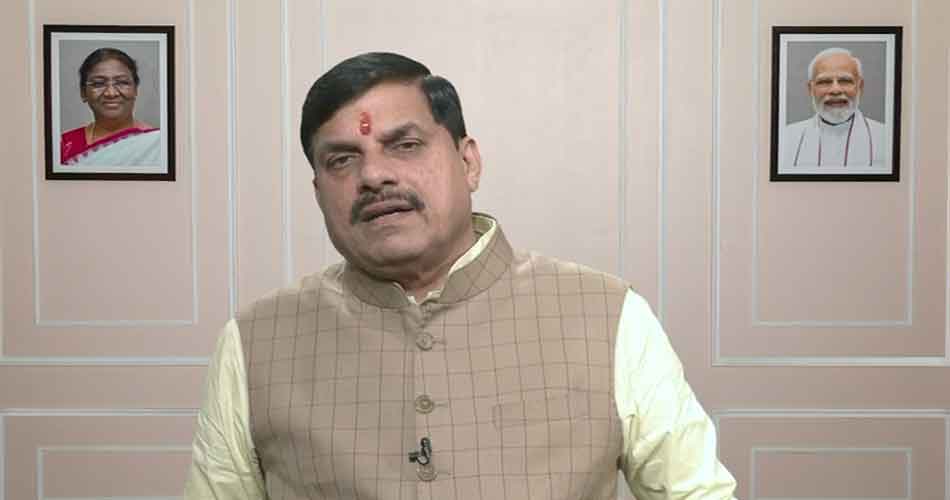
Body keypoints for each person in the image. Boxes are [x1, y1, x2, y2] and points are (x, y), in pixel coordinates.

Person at [184, 52, 737, 499]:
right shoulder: (255, 341)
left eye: (404, 145)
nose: (373, 175)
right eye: (342, 160)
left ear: (468, 162)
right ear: (318, 191)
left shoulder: (608, 315)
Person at [781, 47, 885, 168]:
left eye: (845, 81)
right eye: (824, 82)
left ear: (860, 87)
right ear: (810, 89)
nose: (835, 90)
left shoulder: (885, 137)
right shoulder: (785, 138)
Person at [59, 47, 161, 166]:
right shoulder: (64, 146)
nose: (111, 93)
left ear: (135, 90)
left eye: (122, 82)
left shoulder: (158, 144)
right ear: (83, 93)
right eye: (98, 84)